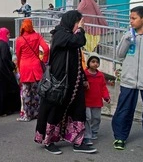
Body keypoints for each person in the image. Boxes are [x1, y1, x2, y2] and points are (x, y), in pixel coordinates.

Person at [34, 10, 97, 154]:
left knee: (78, 110)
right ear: (71, 22)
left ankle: (77, 141)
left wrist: (84, 78)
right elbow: (79, 40)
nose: (80, 26)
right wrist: (81, 29)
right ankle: (48, 141)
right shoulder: (60, 35)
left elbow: (76, 61)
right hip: (59, 83)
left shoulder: (69, 36)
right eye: (78, 23)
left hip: (74, 84)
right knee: (54, 111)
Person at [112, 6, 143, 150]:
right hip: (128, 81)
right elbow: (119, 55)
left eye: (134, 18)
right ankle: (120, 137)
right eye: (130, 18)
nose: (131, 21)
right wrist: (127, 40)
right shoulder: (127, 34)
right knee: (124, 109)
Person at [15, 18, 50, 122]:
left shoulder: (20, 39)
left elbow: (18, 55)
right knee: (36, 92)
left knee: (26, 92)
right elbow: (46, 49)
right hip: (36, 66)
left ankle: (27, 115)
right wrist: (44, 60)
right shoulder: (37, 36)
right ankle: (37, 113)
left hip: (25, 67)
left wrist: (19, 67)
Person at [83, 53, 110, 146]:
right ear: (88, 63)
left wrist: (106, 97)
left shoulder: (100, 75)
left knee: (96, 118)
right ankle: (87, 135)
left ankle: (94, 131)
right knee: (87, 118)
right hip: (86, 101)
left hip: (97, 102)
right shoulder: (84, 74)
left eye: (97, 62)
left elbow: (103, 87)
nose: (95, 64)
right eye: (93, 61)